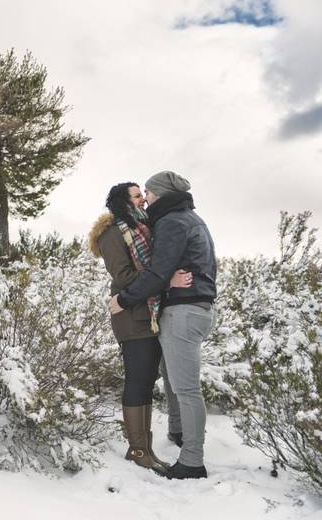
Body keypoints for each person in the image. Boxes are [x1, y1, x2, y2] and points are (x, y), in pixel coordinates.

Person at [108, 171, 217, 480]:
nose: (147, 197)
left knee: (186, 388)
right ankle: (179, 432)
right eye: (141, 193)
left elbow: (157, 272)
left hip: (184, 311)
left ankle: (192, 461)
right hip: (197, 307)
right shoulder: (191, 218)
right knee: (173, 378)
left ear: (162, 193)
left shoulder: (171, 222)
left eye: (150, 192)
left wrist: (124, 299)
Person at [89, 182, 192, 475]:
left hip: (147, 313)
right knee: (137, 381)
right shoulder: (112, 233)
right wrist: (164, 280)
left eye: (142, 196)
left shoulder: (141, 230)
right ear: (123, 202)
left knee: (146, 381)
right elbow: (123, 276)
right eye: (137, 197)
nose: (143, 201)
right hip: (131, 315)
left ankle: (145, 449)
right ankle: (136, 449)